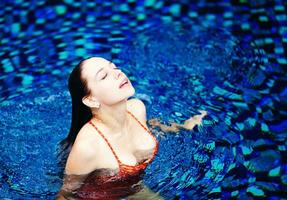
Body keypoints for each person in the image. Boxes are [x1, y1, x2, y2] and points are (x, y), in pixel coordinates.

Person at [56, 57, 207, 199]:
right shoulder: (88, 147)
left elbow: (154, 126)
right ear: (91, 100)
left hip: (136, 188)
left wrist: (182, 126)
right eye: (104, 76)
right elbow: (66, 194)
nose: (118, 73)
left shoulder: (137, 108)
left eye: (114, 67)